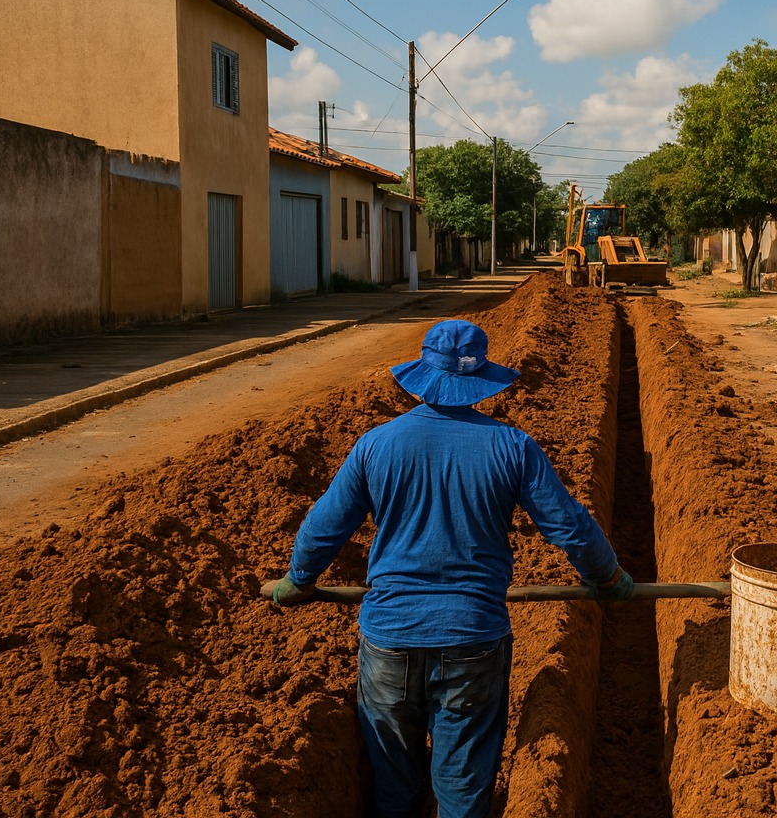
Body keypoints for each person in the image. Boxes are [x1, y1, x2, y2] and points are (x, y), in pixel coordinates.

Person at [270, 318, 632, 818]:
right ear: (480, 379)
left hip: (389, 639)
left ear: (423, 375)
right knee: (462, 789)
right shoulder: (512, 447)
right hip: (472, 641)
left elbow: (323, 527)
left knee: (393, 786)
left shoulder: (376, 445)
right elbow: (568, 526)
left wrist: (298, 579)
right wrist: (608, 578)